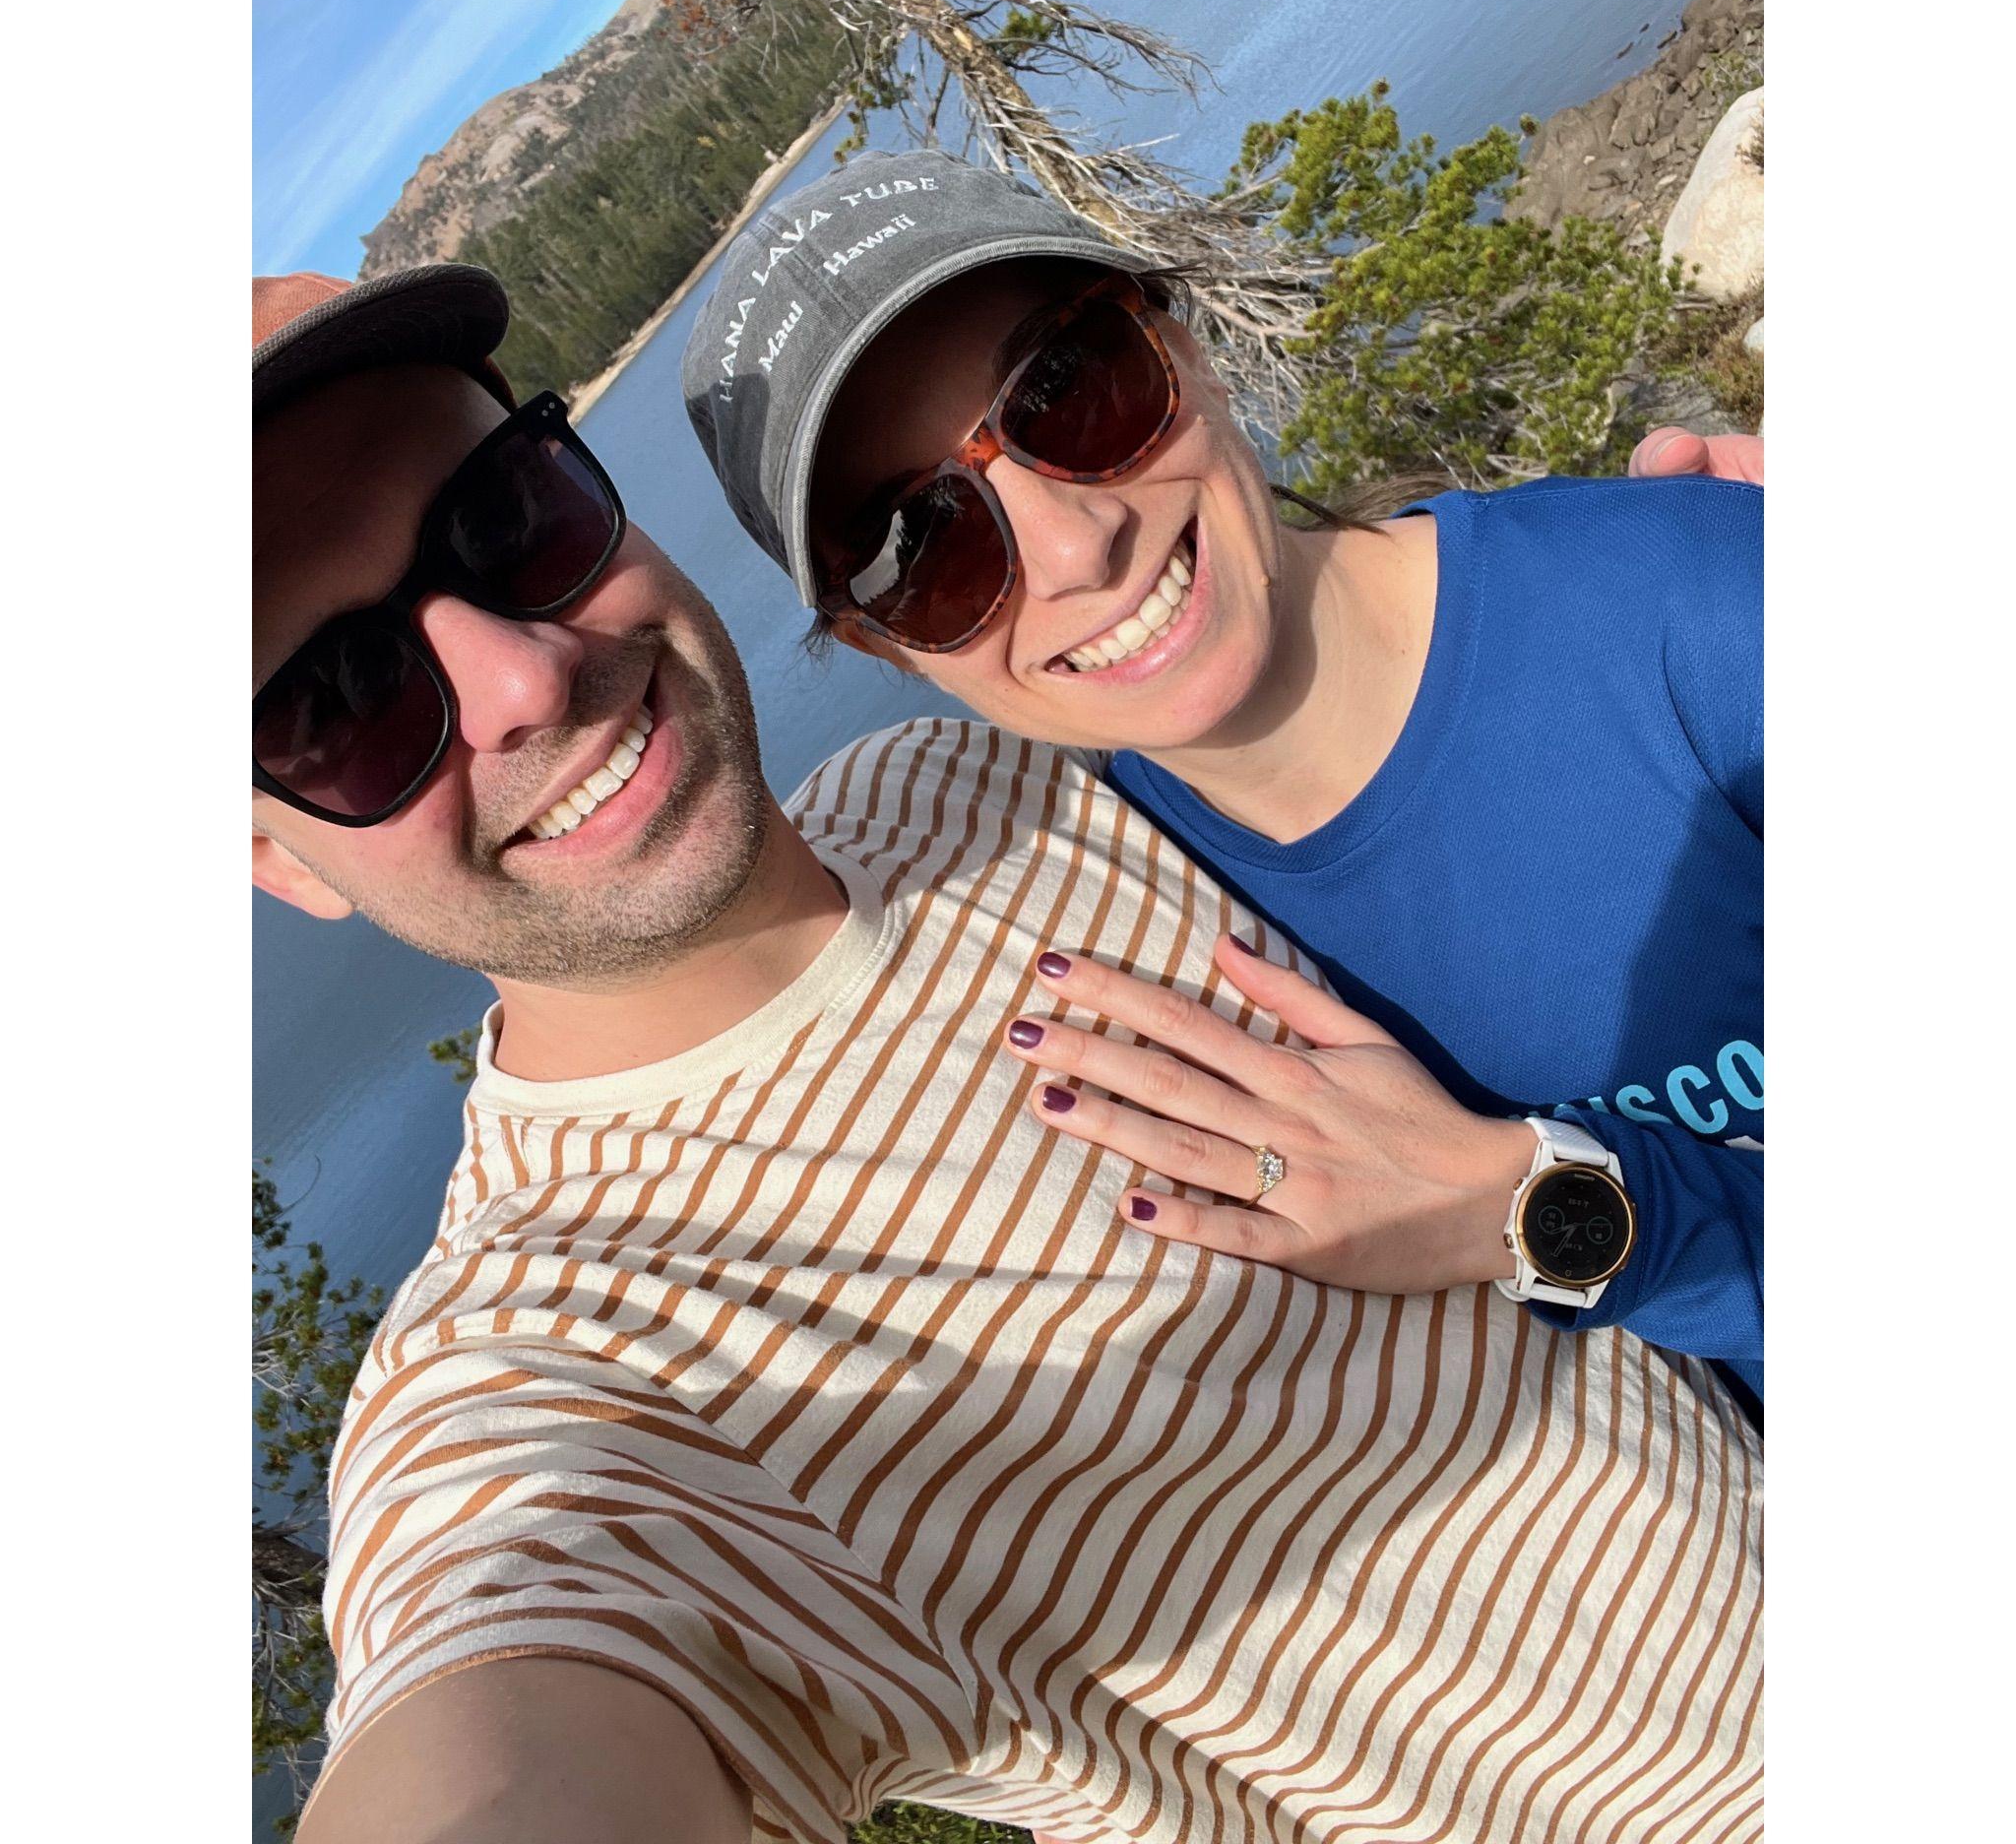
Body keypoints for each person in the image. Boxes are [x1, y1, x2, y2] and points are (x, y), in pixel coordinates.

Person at [256, 265, 1762, 1844]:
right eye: (337, 705)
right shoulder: (566, 1356)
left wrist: (1657, 576)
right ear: (275, 855)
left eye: (508, 521)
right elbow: (499, 1699)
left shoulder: (953, 783)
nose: (523, 679)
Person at [683, 149, 1765, 1420]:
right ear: (887, 647)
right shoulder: (1126, 921)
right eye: (921, 544)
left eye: (1070, 392)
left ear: (1182, 343)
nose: (1077, 549)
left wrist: (1544, 1209)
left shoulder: (1688, 608)